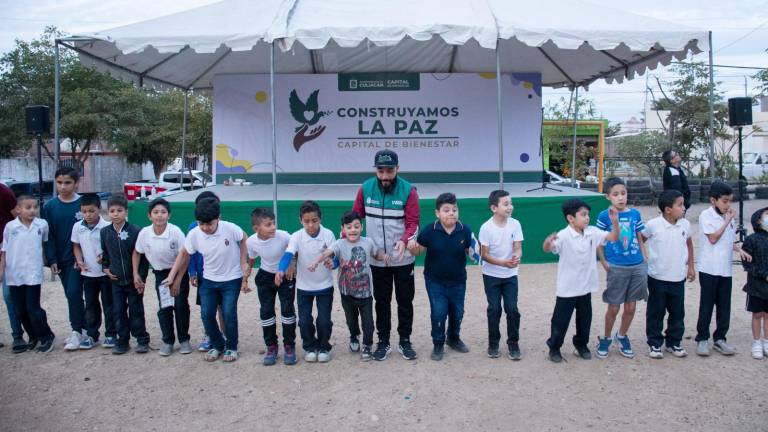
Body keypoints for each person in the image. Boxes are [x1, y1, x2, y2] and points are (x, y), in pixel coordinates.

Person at [352, 149, 420, 361]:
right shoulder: (365, 188)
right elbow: (356, 217)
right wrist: (347, 235)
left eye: (389, 170)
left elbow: (413, 223)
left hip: (402, 259)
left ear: (397, 169)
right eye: (380, 171)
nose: (384, 176)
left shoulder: (409, 191)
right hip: (377, 259)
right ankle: (383, 342)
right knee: (381, 301)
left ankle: (405, 341)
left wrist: (403, 241)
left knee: (405, 301)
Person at [164, 197, 250, 363]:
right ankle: (217, 344)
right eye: (201, 224)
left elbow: (244, 237)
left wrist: (243, 261)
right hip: (208, 280)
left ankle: (231, 347)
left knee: (228, 313)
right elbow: (184, 253)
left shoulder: (230, 228)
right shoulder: (195, 233)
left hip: (231, 279)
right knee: (206, 314)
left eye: (209, 224)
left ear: (219, 217)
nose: (205, 228)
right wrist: (171, 275)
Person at [542, 199, 619, 363]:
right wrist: (548, 242)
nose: (587, 218)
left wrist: (615, 223)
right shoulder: (563, 235)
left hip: (585, 286)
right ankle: (554, 348)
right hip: (568, 287)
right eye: (583, 215)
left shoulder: (592, 231)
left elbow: (613, 237)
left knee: (585, 319)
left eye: (588, 215)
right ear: (571, 218)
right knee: (560, 320)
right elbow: (548, 249)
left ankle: (581, 345)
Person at [408, 193, 479, 361]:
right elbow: (418, 251)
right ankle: (438, 343)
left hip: (458, 280)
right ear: (437, 213)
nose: (451, 213)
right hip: (435, 281)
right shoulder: (429, 230)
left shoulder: (465, 230)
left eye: (454, 209)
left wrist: (476, 253)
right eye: (446, 210)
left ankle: (453, 338)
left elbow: (472, 252)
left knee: (458, 312)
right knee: (439, 312)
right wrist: (412, 247)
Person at [309, 211, 388, 361]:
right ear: (343, 229)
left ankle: (367, 345)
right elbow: (328, 253)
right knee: (351, 321)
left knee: (368, 323)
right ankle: (353, 336)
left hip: (365, 294)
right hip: (347, 294)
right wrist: (316, 261)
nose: (353, 230)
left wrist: (383, 256)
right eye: (349, 227)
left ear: (361, 227)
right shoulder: (339, 244)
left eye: (356, 226)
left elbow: (376, 254)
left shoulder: (368, 242)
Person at [276, 200, 336, 363]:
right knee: (304, 320)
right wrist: (281, 269)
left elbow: (334, 256)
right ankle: (310, 347)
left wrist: (332, 262)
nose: (311, 225)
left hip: (325, 286)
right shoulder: (296, 236)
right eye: (306, 221)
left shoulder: (328, 234)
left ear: (320, 219)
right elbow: (288, 254)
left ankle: (323, 347)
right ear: (300, 220)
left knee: (324, 320)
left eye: (314, 221)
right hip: (304, 287)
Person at [695, 181, 751, 356]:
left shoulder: (728, 217)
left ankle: (720, 338)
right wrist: (727, 221)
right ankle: (702, 339)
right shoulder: (706, 215)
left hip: (725, 268)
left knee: (724, 305)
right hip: (709, 268)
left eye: (730, 201)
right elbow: (713, 238)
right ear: (713, 200)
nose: (728, 205)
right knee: (707, 304)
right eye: (725, 201)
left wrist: (739, 249)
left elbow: (728, 239)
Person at [595, 178, 648, 359]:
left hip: (636, 265)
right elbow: (599, 241)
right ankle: (606, 338)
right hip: (616, 266)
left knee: (631, 306)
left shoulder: (635, 214)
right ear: (608, 196)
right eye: (616, 194)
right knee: (614, 307)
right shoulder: (604, 216)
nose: (620, 198)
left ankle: (622, 335)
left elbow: (639, 236)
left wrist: (644, 257)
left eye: (623, 193)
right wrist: (604, 262)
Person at [133, 198, 192, 357]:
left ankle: (184, 340)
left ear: (169, 215)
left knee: (180, 306)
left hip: (179, 272)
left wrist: (178, 279)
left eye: (163, 212)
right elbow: (137, 252)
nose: (160, 216)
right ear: (149, 216)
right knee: (165, 308)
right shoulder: (145, 233)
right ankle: (168, 341)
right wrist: (135, 273)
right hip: (160, 275)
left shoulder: (175, 232)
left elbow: (185, 256)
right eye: (156, 212)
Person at [643, 190, 695, 359]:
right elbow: (640, 239)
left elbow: (689, 244)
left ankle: (674, 342)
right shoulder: (653, 225)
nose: (684, 207)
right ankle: (655, 344)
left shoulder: (685, 225)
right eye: (680, 205)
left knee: (677, 312)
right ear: (667, 209)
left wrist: (691, 267)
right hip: (657, 276)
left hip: (678, 277)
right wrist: (644, 258)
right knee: (656, 312)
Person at [0, 195, 56, 353]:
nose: (32, 211)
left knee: (33, 307)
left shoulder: (42, 225)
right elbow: (4, 250)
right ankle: (33, 336)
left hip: (32, 273)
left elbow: (46, 244)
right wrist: (2, 269)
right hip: (14, 274)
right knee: (20, 309)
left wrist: (52, 262)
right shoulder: (10, 227)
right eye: (28, 207)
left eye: (35, 207)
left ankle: (47, 336)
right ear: (18, 209)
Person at [244, 207, 297, 366]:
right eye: (268, 224)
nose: (273, 227)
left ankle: (289, 345)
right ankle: (271, 346)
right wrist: (245, 277)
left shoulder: (284, 236)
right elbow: (252, 260)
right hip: (265, 276)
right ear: (256, 228)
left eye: (273, 223)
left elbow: (295, 249)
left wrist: (292, 264)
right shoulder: (251, 241)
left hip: (285, 276)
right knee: (266, 311)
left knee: (287, 310)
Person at [42, 167, 86, 350]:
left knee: (76, 292)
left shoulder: (84, 204)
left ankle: (79, 330)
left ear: (76, 183)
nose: (63, 186)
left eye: (67, 182)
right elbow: (48, 236)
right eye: (59, 182)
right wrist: (51, 259)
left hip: (82, 259)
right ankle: (81, 329)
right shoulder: (49, 207)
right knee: (71, 294)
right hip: (62, 260)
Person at [100, 194, 150, 355]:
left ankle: (142, 340)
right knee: (118, 310)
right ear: (108, 212)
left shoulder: (136, 231)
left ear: (126, 212)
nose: (115, 214)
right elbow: (105, 254)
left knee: (136, 310)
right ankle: (122, 341)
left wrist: (140, 277)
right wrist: (106, 268)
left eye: (119, 210)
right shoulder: (105, 232)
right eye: (112, 211)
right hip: (116, 281)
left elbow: (142, 257)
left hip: (133, 280)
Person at [478, 190, 524, 360]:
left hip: (511, 275)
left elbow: (518, 247)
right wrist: (503, 263)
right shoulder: (486, 228)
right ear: (494, 208)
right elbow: (485, 255)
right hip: (491, 275)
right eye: (505, 204)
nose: (510, 207)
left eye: (511, 203)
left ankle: (513, 343)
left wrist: (516, 257)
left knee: (512, 309)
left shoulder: (515, 224)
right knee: (494, 309)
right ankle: (493, 343)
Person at [71, 193, 116, 349]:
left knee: (108, 304)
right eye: (84, 211)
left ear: (99, 209)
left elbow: (111, 249)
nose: (88, 215)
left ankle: (111, 334)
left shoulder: (106, 227)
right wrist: (79, 261)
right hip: (88, 274)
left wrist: (104, 258)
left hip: (105, 274)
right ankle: (92, 335)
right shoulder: (78, 227)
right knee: (91, 305)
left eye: (91, 211)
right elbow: (76, 245)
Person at [187, 191, 225, 352]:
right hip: (203, 275)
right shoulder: (193, 228)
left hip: (222, 275)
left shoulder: (225, 228)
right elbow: (189, 252)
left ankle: (224, 334)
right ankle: (209, 335)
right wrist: (192, 272)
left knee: (223, 308)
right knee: (207, 308)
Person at [0, 181, 26, 352]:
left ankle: (17, 335)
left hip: (6, 251)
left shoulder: (3, 192)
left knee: (10, 295)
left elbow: (18, 219)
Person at [741, 207, 768, 359]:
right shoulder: (751, 240)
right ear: (758, 220)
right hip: (756, 286)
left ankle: (766, 342)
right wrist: (764, 275)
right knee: (757, 314)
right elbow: (747, 264)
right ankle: (756, 342)